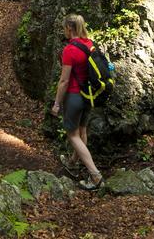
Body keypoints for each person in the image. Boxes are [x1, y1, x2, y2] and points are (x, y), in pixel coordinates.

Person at [51, 14, 103, 190]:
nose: (64, 31)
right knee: (82, 130)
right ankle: (73, 162)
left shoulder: (70, 50)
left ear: (70, 28)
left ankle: (95, 176)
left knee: (72, 135)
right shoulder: (89, 44)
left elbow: (64, 81)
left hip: (74, 96)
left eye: (65, 28)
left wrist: (57, 103)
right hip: (88, 95)